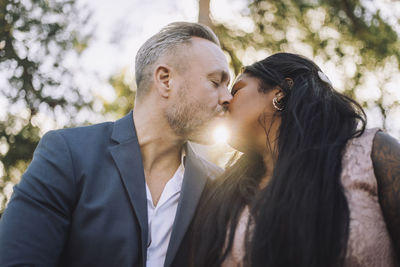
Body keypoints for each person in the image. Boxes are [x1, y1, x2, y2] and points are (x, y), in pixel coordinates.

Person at [0, 22, 232, 267]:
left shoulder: (219, 186)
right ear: (165, 80)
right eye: (216, 82)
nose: (227, 97)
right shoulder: (68, 154)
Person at [190, 52, 400, 267]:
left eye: (236, 90)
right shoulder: (222, 194)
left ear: (280, 92)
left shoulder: (371, 154)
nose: (226, 100)